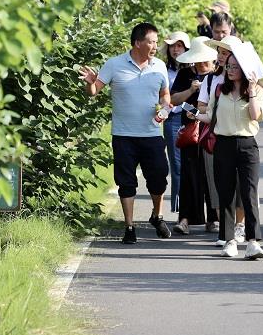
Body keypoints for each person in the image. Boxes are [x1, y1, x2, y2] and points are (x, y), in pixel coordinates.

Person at [78, 23, 172, 245]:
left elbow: (165, 95)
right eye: (151, 42)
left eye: (156, 42)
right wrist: (90, 84)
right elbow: (94, 91)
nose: (155, 46)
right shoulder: (114, 64)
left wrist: (165, 108)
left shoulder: (159, 66)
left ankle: (157, 216)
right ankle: (129, 227)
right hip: (124, 136)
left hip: (152, 134)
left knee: (159, 178)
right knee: (126, 182)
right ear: (138, 43)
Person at [191, 42, 263, 260]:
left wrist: (251, 91)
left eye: (235, 66)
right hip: (223, 144)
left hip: (247, 145)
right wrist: (195, 115)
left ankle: (253, 241)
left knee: (249, 193)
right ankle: (229, 240)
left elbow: (255, 116)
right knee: (226, 192)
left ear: (244, 68)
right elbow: (210, 116)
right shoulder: (219, 89)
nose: (230, 70)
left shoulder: (257, 91)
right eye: (228, 66)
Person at [200, 35, 246, 244]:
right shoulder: (211, 79)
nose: (220, 57)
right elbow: (203, 106)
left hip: (241, 138)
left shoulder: (246, 81)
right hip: (215, 137)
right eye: (219, 52)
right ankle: (225, 230)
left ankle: (240, 226)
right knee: (218, 184)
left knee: (241, 186)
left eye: (225, 52)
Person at [170, 37, 218, 234]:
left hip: (212, 130)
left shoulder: (218, 75)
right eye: (199, 59)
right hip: (190, 129)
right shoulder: (185, 74)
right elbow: (173, 99)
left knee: (212, 174)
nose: (202, 63)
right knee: (189, 175)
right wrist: (191, 89)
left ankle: (214, 217)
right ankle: (185, 219)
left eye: (205, 59)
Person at [161, 31, 190, 213]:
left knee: (194, 164)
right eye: (173, 45)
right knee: (177, 165)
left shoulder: (194, 69)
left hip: (192, 118)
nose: (176, 49)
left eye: (179, 45)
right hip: (172, 119)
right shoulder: (163, 69)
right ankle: (179, 209)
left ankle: (197, 210)